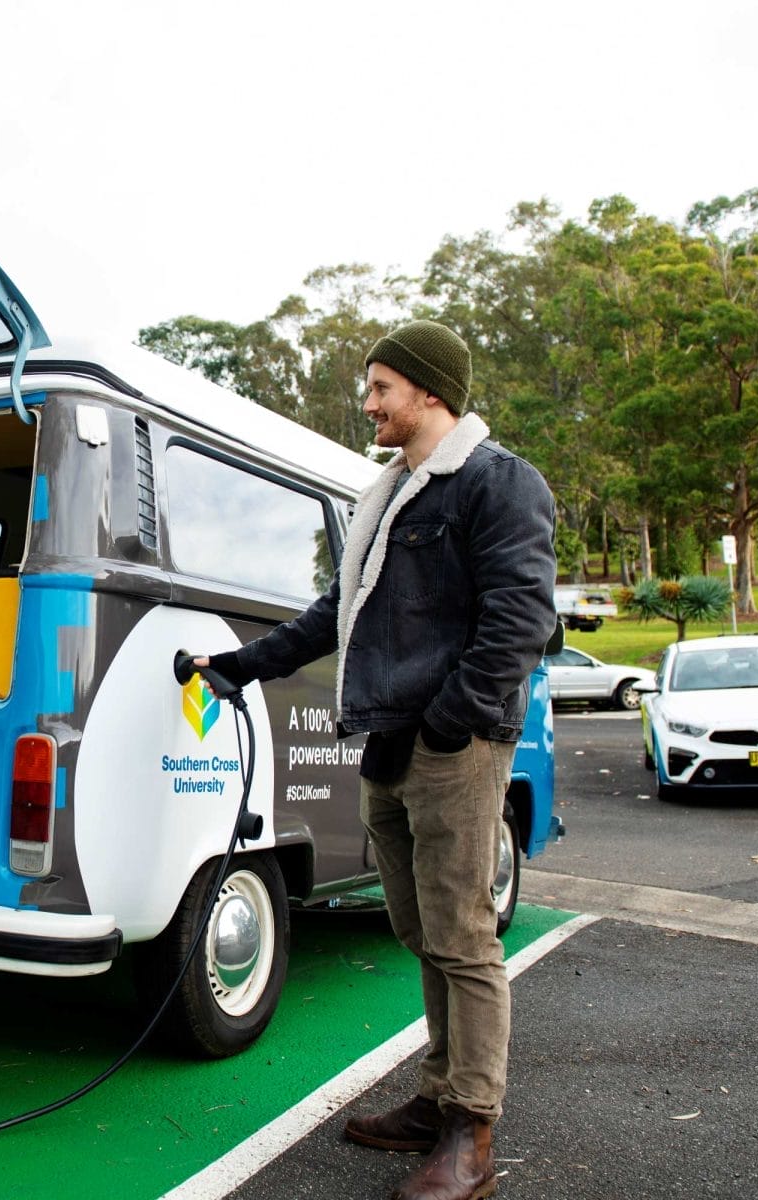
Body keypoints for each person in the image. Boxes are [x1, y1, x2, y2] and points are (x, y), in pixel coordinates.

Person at [195, 320, 556, 1200]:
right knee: (420, 928)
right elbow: (337, 613)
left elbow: (521, 618)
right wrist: (243, 664)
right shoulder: (388, 494)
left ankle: (471, 1134)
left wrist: (450, 721)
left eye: (382, 387)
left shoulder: (497, 482)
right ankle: (438, 1097)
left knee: (463, 935)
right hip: (389, 738)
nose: (369, 403)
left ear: (430, 391)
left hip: (454, 744)